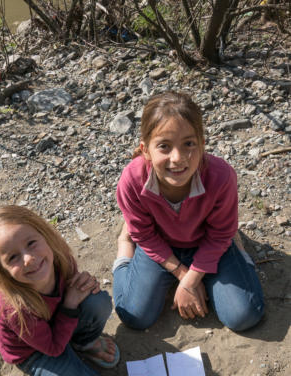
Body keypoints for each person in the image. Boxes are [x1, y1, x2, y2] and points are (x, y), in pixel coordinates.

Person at [113, 91, 264, 332]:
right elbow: (146, 236)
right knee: (134, 317)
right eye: (164, 146)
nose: (178, 158)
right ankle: (124, 243)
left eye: (189, 144)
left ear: (202, 144)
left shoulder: (221, 176)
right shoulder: (132, 180)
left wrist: (191, 281)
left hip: (208, 239)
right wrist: (184, 276)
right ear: (146, 150)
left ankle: (238, 245)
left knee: (244, 316)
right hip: (160, 241)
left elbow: (217, 236)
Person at [0, 205, 120, 376]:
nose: (28, 259)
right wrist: (71, 304)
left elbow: (81, 293)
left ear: (45, 235)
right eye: (12, 258)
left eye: (31, 243)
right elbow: (53, 348)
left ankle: (82, 343)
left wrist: (85, 285)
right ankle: (64, 363)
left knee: (97, 301)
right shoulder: (13, 308)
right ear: (2, 270)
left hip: (59, 321)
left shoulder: (60, 259)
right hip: (35, 352)